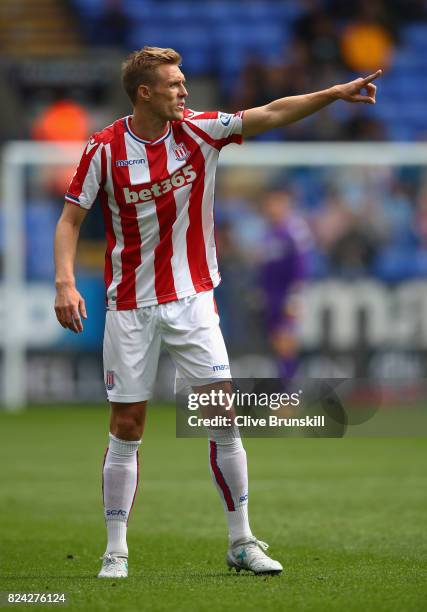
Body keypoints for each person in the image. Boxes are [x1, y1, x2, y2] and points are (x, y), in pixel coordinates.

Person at [54, 46, 381, 578]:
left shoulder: (201, 130)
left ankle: (241, 541)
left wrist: (332, 95)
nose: (184, 91)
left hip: (193, 300)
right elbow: (70, 221)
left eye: (184, 81)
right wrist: (65, 282)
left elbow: (271, 113)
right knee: (127, 424)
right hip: (130, 305)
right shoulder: (104, 148)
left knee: (222, 418)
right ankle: (115, 551)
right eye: (174, 83)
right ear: (145, 92)